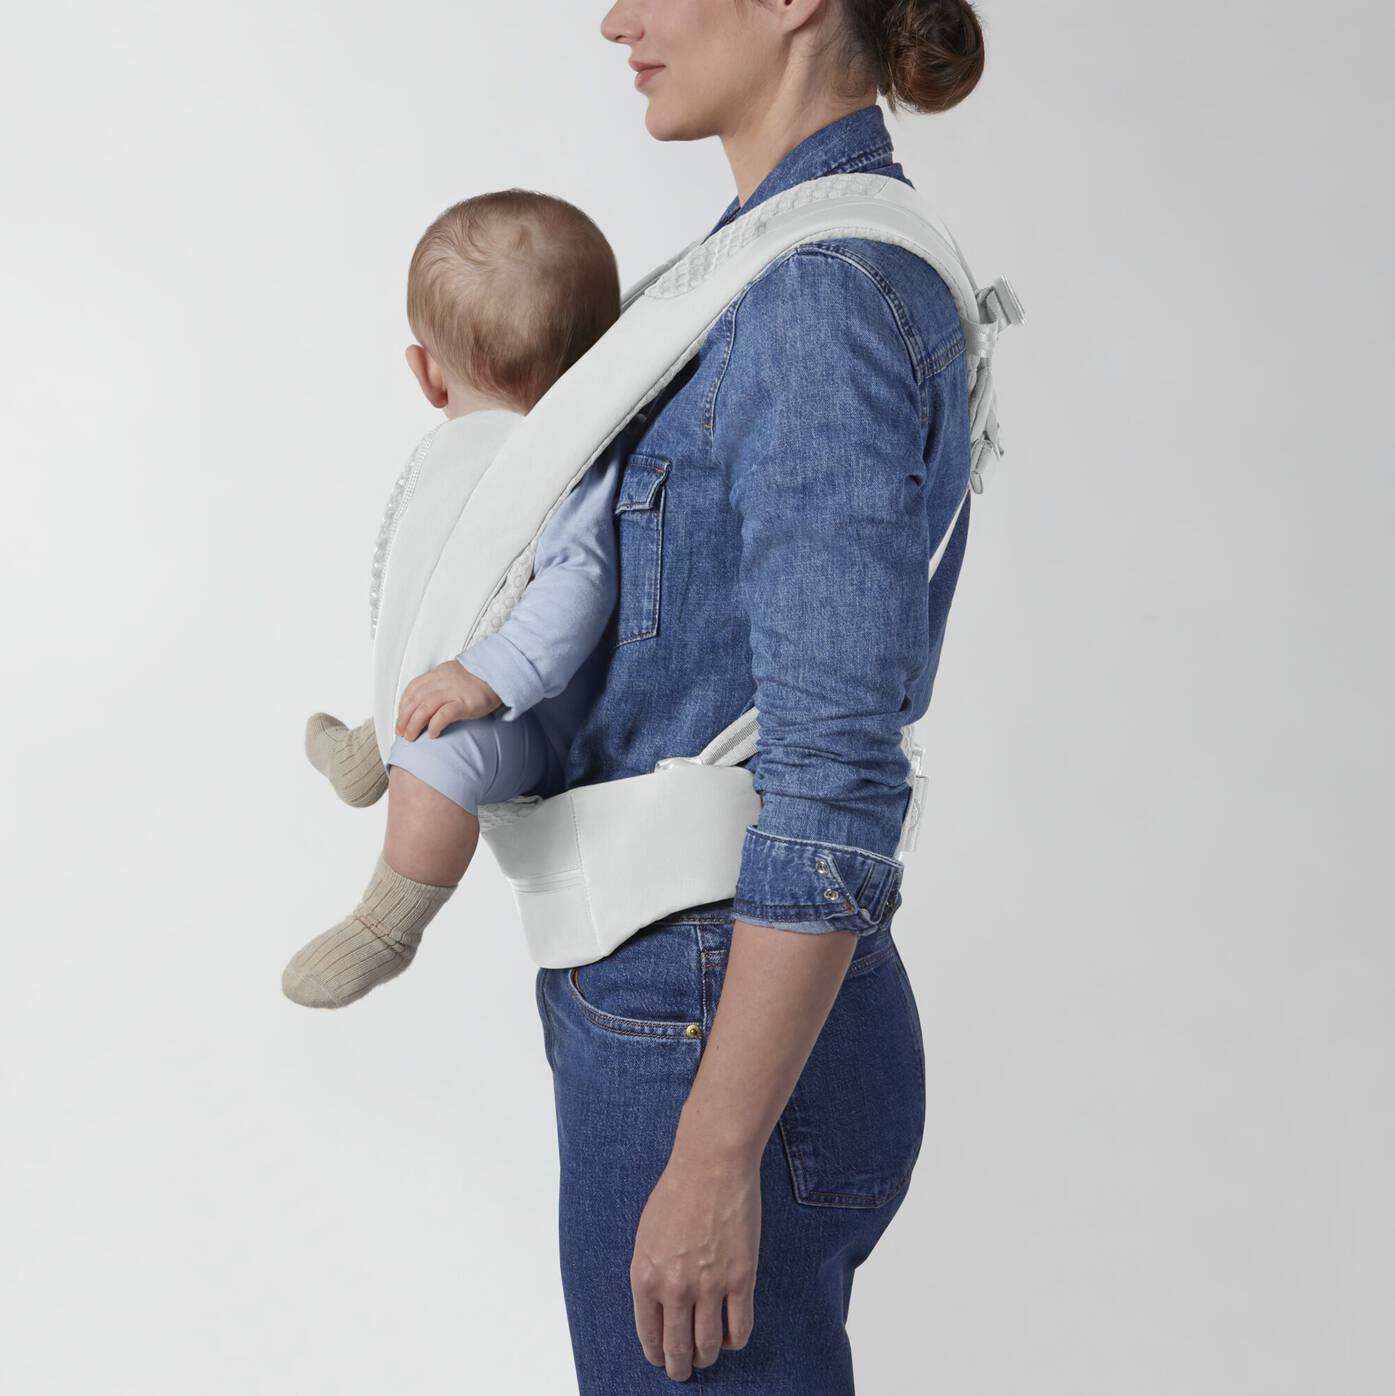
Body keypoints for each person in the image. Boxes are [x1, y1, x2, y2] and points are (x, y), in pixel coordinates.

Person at [534, 0, 986, 1390]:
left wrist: (716, 1151)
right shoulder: (767, 266)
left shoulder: (813, 293)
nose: (615, 18)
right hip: (694, 990)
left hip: (711, 1014)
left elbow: (837, 766)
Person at [281, 189, 624, 1010]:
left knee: (440, 744)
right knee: (425, 681)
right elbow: (446, 596)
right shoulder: (461, 456)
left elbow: (578, 586)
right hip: (484, 684)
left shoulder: (567, 459)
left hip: (540, 719)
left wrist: (488, 676)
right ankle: (369, 752)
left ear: (426, 372)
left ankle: (385, 924)